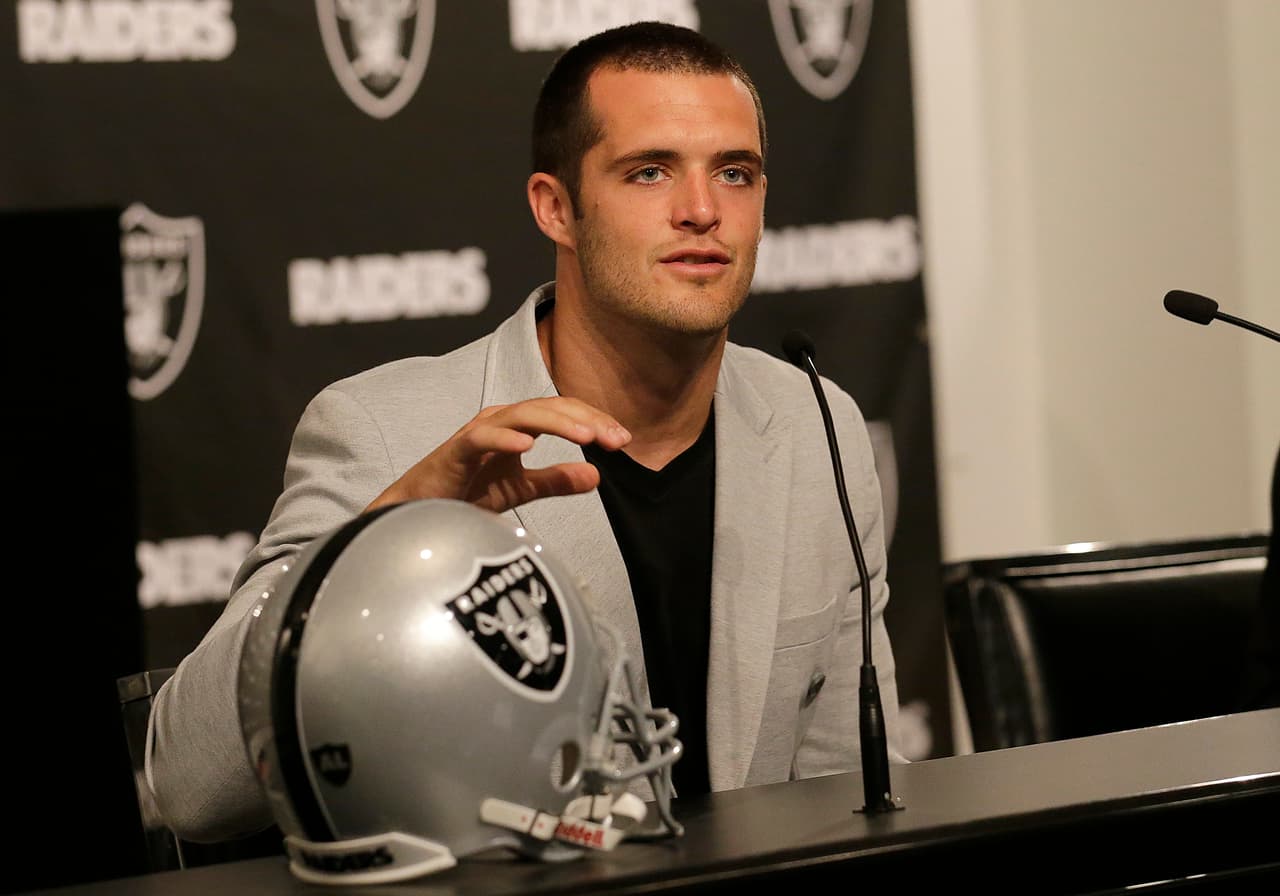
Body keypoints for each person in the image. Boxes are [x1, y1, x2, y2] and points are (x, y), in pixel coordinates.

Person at [146, 20, 905, 845]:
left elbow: (846, 803)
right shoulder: (384, 432)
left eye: (735, 173)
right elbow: (187, 785)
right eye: (649, 172)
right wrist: (384, 531)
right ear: (556, 209)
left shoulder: (815, 423)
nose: (702, 211)